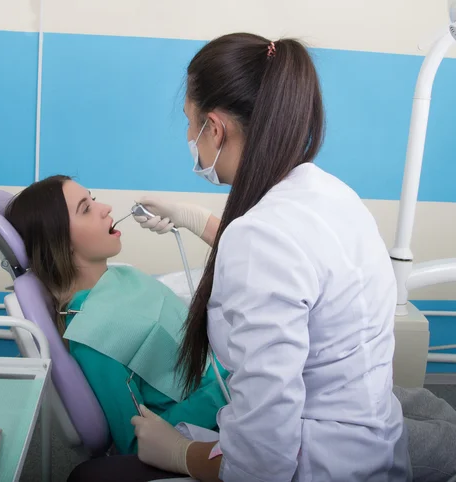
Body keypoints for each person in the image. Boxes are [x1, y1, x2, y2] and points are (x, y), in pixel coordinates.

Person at [72, 32, 412, 482]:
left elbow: (260, 464)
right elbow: (283, 261)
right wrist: (193, 219)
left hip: (323, 466)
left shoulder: (260, 238)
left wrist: (181, 453)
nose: (190, 137)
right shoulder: (329, 192)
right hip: (371, 442)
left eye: (191, 123)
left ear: (215, 128)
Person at [4, 175, 229, 456]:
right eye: (86, 209)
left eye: (93, 200)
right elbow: (135, 440)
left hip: (232, 378)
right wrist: (226, 392)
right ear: (60, 241)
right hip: (219, 415)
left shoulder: (122, 275)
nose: (106, 208)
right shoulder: (93, 337)